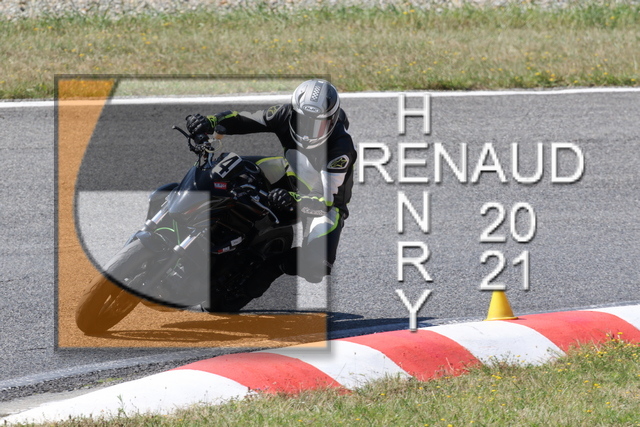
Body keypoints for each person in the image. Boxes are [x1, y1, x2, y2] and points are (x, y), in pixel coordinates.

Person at [185, 79, 356, 298]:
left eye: (318, 124)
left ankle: (271, 266)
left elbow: (325, 199)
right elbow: (242, 119)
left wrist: (293, 198)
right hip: (290, 171)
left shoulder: (341, 148)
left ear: (332, 120)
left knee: (317, 266)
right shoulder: (283, 114)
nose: (309, 131)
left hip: (324, 202)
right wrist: (209, 122)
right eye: (303, 121)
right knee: (228, 168)